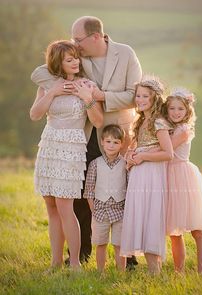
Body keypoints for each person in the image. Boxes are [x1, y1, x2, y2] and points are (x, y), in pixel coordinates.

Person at [32, 16, 142, 266]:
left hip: (118, 134)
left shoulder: (125, 54)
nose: (75, 44)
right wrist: (56, 85)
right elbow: (42, 71)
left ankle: (128, 257)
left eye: (78, 39)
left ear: (96, 37)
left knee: (118, 194)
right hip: (83, 134)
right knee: (81, 194)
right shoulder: (77, 57)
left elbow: (134, 95)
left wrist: (98, 95)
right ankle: (80, 253)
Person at [30, 40, 103, 271]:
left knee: (65, 206)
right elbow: (35, 114)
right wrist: (53, 92)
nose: (75, 62)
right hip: (49, 145)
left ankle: (75, 263)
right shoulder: (47, 84)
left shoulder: (87, 84)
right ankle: (56, 262)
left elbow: (99, 121)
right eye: (69, 59)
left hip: (72, 148)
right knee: (50, 205)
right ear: (57, 63)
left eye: (76, 58)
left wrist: (86, 97)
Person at [120, 76, 173, 275]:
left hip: (151, 173)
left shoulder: (158, 122)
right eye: (138, 95)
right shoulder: (141, 120)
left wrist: (143, 157)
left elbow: (168, 153)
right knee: (140, 213)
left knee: (150, 215)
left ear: (155, 99)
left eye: (145, 96)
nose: (140, 99)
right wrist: (131, 155)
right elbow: (138, 147)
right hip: (139, 173)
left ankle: (154, 270)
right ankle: (152, 268)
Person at [161, 87, 202, 273]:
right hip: (168, 177)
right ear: (167, 110)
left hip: (183, 177)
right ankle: (179, 271)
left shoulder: (184, 129)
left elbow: (166, 150)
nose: (176, 112)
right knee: (175, 232)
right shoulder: (167, 127)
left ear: (187, 111)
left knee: (197, 229)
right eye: (172, 109)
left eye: (180, 109)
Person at [83, 124, 127, 272]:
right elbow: (89, 188)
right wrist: (92, 208)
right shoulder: (95, 164)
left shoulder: (125, 164)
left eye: (115, 142)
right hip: (100, 211)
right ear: (102, 142)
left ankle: (121, 272)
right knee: (100, 243)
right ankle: (100, 271)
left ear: (121, 144)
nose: (111, 145)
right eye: (108, 141)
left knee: (119, 244)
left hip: (119, 211)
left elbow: (128, 188)